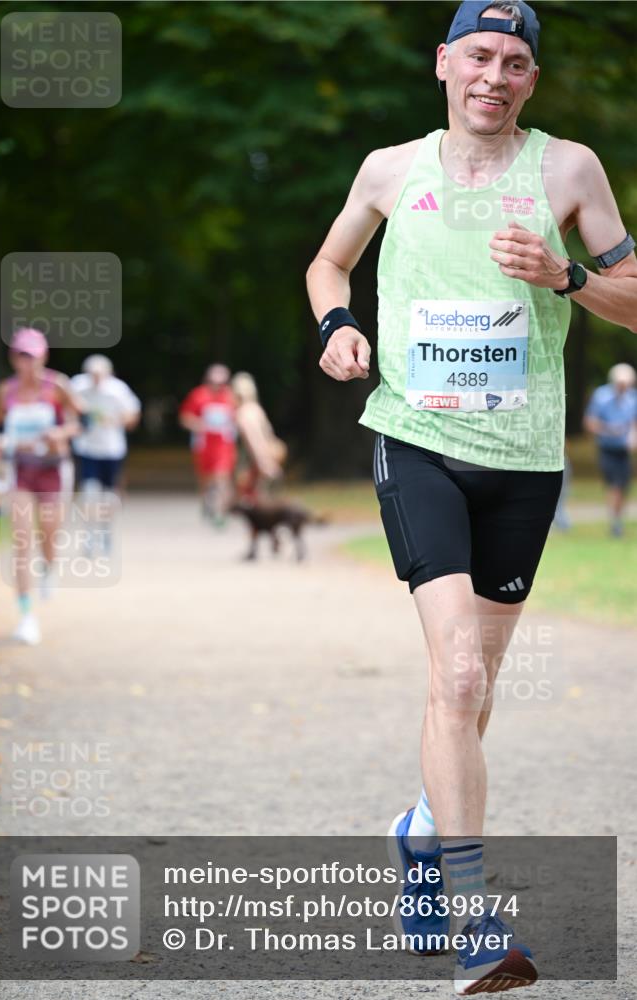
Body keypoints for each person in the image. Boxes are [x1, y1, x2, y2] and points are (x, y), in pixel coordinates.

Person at [306, 1, 637, 993]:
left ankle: (416, 828)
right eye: (480, 55)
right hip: (418, 440)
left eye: (517, 63)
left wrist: (567, 274)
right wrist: (334, 323)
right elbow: (330, 260)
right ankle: (468, 918)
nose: (496, 75)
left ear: (530, 81)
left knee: (474, 687)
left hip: (525, 459)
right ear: (443, 61)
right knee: (455, 676)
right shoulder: (386, 169)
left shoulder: (569, 168)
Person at [0, 327, 81, 645]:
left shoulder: (57, 386)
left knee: (48, 532)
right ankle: (27, 616)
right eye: (20, 355)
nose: (26, 362)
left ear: (43, 356)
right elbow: (0, 427)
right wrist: (0, 450)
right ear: (13, 358)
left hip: (53, 471)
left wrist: (61, 434)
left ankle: (50, 565)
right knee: (21, 541)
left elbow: (79, 421)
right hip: (20, 472)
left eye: (31, 356)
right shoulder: (6, 391)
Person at [70, 355, 141, 553]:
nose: (96, 379)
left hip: (112, 449)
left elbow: (132, 414)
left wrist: (117, 420)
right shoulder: (78, 386)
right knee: (89, 493)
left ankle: (106, 531)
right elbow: (66, 408)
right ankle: (90, 536)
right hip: (87, 448)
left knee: (109, 496)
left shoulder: (117, 389)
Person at [583, 363, 637, 537]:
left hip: (625, 450)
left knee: (624, 486)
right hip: (607, 448)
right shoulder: (601, 396)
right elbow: (590, 423)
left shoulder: (632, 398)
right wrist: (609, 429)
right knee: (614, 485)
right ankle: (615, 523)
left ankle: (618, 518)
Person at [179, 363, 237, 524]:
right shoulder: (198, 395)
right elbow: (185, 417)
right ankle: (206, 503)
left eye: (221, 383)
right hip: (203, 446)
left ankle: (220, 511)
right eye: (214, 382)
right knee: (205, 479)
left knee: (222, 477)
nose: (217, 386)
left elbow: (238, 417)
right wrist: (199, 425)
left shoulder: (231, 396)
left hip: (224, 446)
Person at [231, 371, 286, 499]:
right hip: (262, 460)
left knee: (255, 502)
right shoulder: (255, 409)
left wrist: (266, 466)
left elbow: (256, 442)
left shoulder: (245, 413)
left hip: (255, 462)